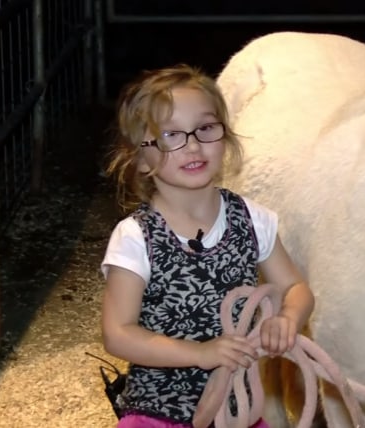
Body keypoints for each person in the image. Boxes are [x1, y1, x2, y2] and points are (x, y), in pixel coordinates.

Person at [100, 64, 314, 428]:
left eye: (205, 128)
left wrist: (287, 318)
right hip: (158, 414)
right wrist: (199, 353)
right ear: (140, 157)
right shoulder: (135, 237)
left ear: (225, 136)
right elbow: (117, 333)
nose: (194, 145)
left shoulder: (253, 219)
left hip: (238, 411)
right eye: (170, 135)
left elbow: (296, 288)